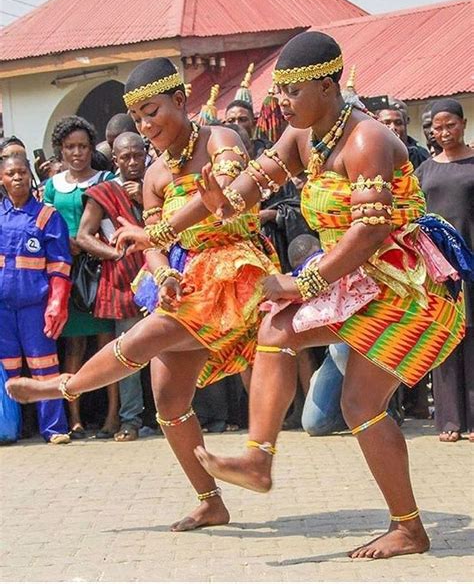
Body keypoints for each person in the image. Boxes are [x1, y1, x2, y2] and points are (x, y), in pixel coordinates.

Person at [192, 31, 466, 559]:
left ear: (325, 85)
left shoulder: (367, 141)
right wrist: (219, 202)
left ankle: (402, 526)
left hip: (406, 289)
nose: (282, 103)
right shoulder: (301, 135)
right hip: (358, 280)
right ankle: (264, 462)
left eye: (291, 91)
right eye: (280, 93)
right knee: (314, 360)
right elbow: (246, 193)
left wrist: (303, 283)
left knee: (345, 387)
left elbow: (368, 234)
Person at [7, 57, 278, 532]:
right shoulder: (154, 174)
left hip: (237, 267)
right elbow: (155, 243)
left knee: (143, 338)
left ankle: (63, 386)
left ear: (180, 100)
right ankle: (210, 501)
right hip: (191, 275)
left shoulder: (222, 140)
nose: (145, 125)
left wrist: (159, 238)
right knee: (168, 397)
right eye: (136, 119)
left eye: (152, 112)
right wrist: (162, 272)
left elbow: (231, 194)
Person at [43, 116, 118, 439]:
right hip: (66, 275)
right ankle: (73, 416)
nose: (77, 153)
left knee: (108, 346)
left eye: (83, 147)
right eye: (70, 147)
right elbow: (44, 225)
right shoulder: (51, 187)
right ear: (61, 150)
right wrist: (65, 245)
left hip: (102, 271)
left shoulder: (106, 179)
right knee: (73, 347)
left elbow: (116, 222)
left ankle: (112, 416)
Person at [76, 132, 147, 441]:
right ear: (115, 160)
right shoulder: (104, 192)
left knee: (174, 349)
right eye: (126, 157)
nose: (133, 162)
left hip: (168, 275)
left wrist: (145, 198)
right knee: (130, 351)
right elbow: (84, 236)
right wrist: (116, 253)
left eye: (137, 155)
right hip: (127, 282)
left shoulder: (162, 180)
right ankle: (131, 419)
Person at [0, 154, 71, 444]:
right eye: (10, 173)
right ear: (1, 179)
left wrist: (57, 303)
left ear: (31, 177)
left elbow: (60, 265)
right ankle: (9, 429)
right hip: (3, 310)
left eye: (22, 172)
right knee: (8, 371)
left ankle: (54, 429)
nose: (17, 178)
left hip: (35, 307)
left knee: (45, 367)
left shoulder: (47, 216)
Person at [415, 98, 474, 443]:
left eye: (450, 125)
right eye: (437, 127)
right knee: (446, 336)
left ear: (463, 124)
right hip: (439, 267)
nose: (444, 132)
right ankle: (449, 420)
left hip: (472, 259)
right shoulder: (425, 170)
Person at [377, 102, 430, 170]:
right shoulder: (370, 153)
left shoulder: (419, 155)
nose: (392, 127)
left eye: (398, 123)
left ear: (406, 122)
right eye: (387, 123)